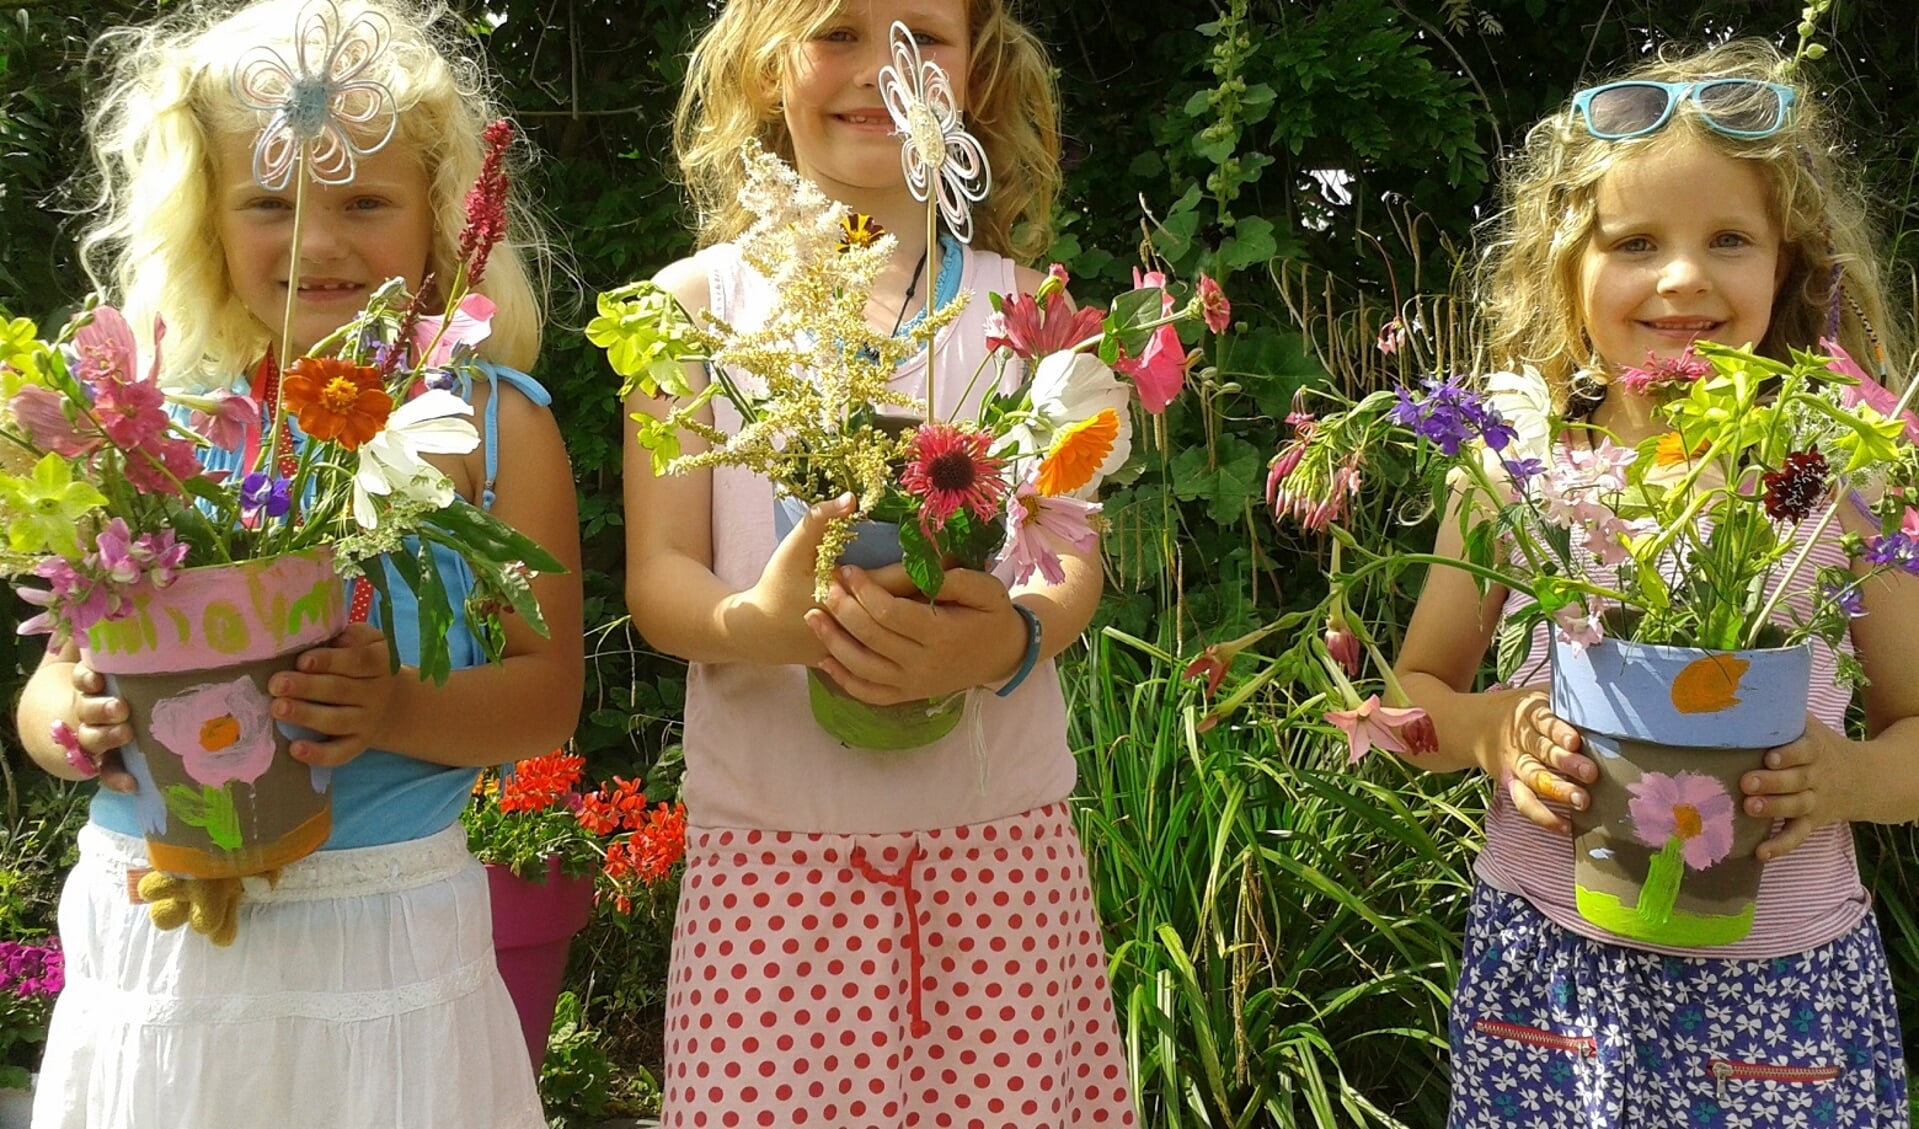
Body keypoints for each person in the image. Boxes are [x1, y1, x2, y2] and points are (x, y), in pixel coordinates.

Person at [13, 1, 583, 1125]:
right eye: (269, 203)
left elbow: (544, 697)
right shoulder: (142, 431)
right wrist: (64, 717)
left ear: (437, 218)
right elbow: (56, 671)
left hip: (382, 934)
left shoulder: (489, 427)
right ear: (204, 223)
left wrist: (390, 705)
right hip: (158, 929)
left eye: (365, 202)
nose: (318, 244)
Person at [625, 0, 1136, 1124]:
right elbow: (661, 576)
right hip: (772, 855)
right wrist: (757, 625)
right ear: (766, 71)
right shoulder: (692, 311)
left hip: (995, 848)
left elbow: (1068, 560)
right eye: (838, 31)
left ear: (976, 76)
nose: (880, 71)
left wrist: (1001, 637)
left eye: (921, 34)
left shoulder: (1027, 316)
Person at [1392, 39, 1913, 1126]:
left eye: (1728, 238)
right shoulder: (1513, 469)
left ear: (1787, 263)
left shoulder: (1841, 476)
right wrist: (1488, 731)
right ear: (1564, 272)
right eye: (1634, 242)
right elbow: (1413, 697)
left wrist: (1851, 779)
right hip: (1551, 981)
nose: (1681, 278)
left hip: (1781, 997)